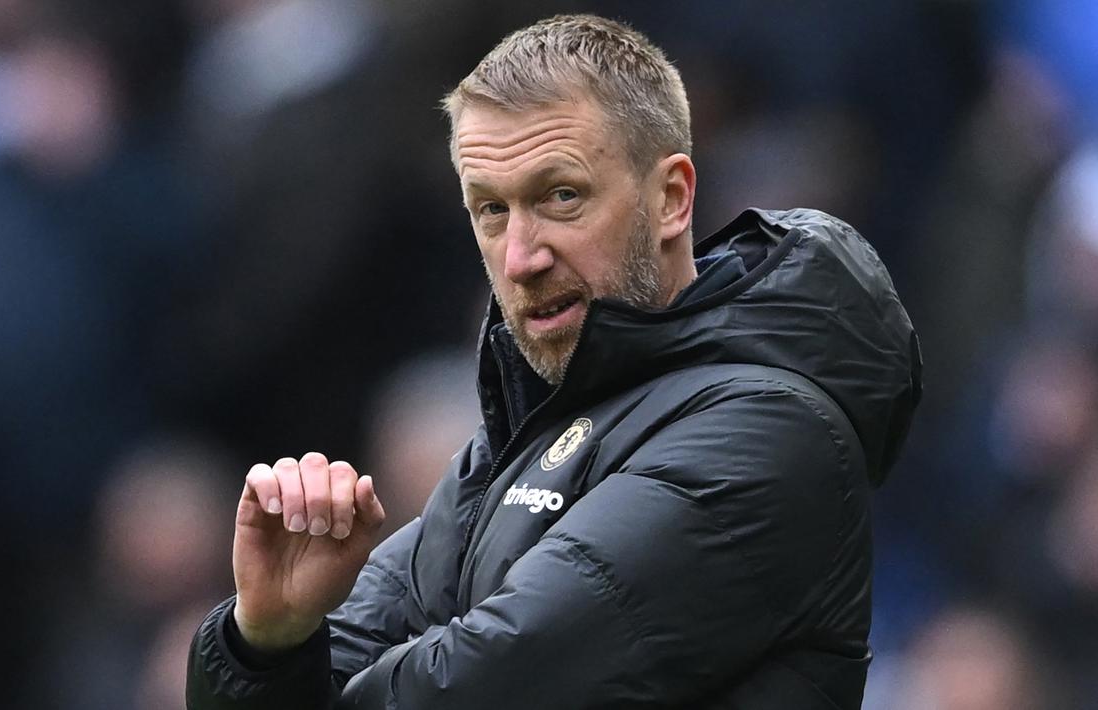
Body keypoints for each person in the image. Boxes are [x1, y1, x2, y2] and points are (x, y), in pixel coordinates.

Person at [186, 14, 922, 709]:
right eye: (490, 210)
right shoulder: (523, 428)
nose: (519, 257)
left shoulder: (769, 433)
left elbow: (473, 690)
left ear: (669, 199)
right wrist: (268, 639)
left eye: (560, 196)